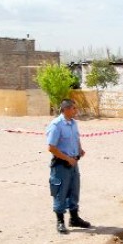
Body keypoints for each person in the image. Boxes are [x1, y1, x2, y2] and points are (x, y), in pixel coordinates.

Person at [46, 99, 91, 234]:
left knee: (74, 190)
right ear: (65, 109)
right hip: (61, 165)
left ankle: (74, 218)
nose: (75, 111)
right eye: (73, 109)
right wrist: (67, 159)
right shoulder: (56, 125)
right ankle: (60, 222)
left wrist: (80, 149)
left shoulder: (73, 123)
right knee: (60, 192)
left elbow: (76, 138)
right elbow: (51, 147)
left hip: (73, 163)